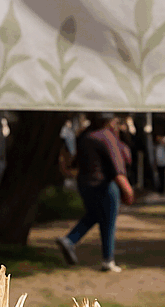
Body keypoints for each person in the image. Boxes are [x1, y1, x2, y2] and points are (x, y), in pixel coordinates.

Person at [56, 113, 135, 272]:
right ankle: (108, 259)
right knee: (108, 221)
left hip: (84, 184)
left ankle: (70, 240)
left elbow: (74, 162)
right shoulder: (106, 137)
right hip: (105, 185)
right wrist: (127, 189)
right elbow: (118, 165)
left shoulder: (85, 136)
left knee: (94, 215)